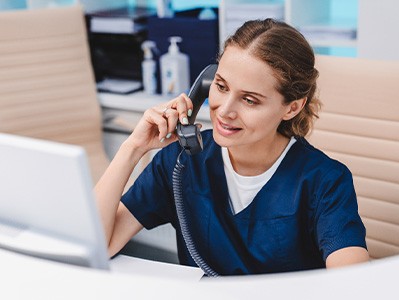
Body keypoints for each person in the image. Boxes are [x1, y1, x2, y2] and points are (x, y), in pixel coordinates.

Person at [94, 18, 369, 275]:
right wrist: (133, 147)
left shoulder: (325, 181)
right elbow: (99, 244)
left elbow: (354, 285)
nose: (224, 111)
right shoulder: (180, 162)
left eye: (249, 100)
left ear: (292, 107)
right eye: (221, 87)